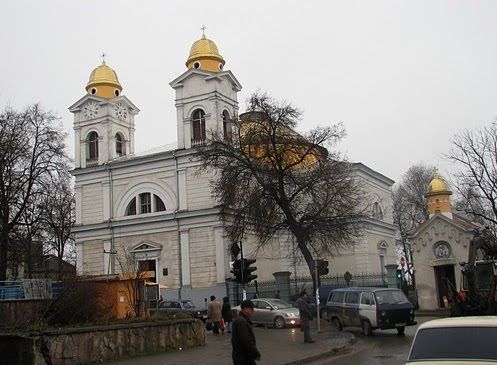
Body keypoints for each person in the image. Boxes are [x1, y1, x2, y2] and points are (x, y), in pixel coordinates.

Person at [232, 299, 261, 365]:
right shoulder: (241, 321)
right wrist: (255, 353)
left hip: (244, 356)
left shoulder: (242, 320)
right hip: (243, 357)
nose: (253, 311)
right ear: (245, 309)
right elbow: (246, 340)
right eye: (251, 308)